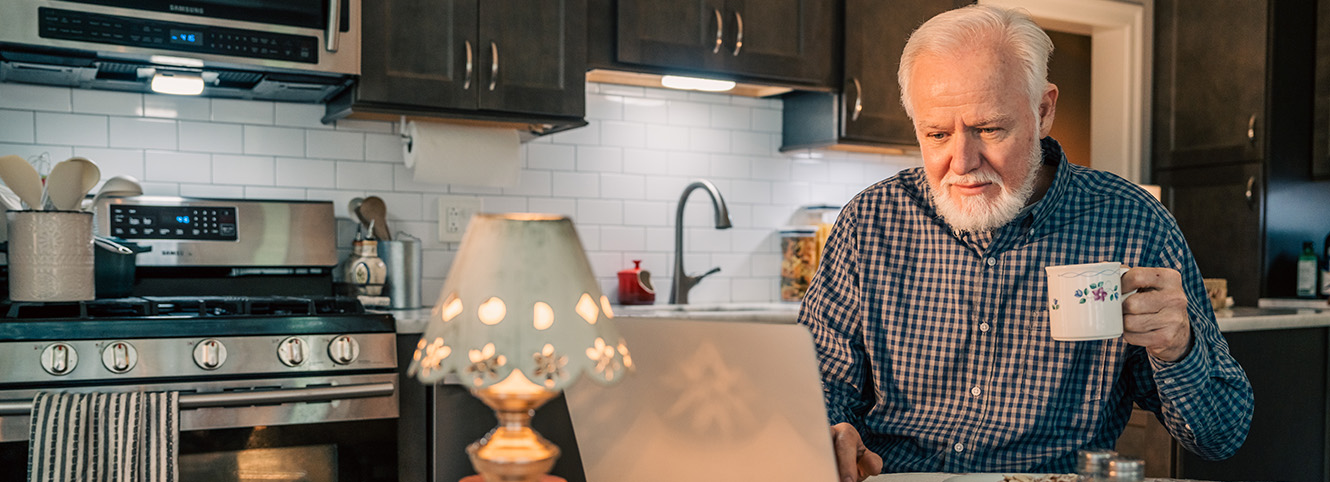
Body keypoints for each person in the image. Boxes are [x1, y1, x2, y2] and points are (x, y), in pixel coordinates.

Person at [796, 5, 1253, 480]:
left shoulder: (1131, 224)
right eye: (936, 134)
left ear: (1043, 110)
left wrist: (1179, 347)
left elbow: (1222, 436)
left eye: (989, 129)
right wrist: (829, 430)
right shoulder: (872, 221)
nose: (962, 162)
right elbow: (818, 383)